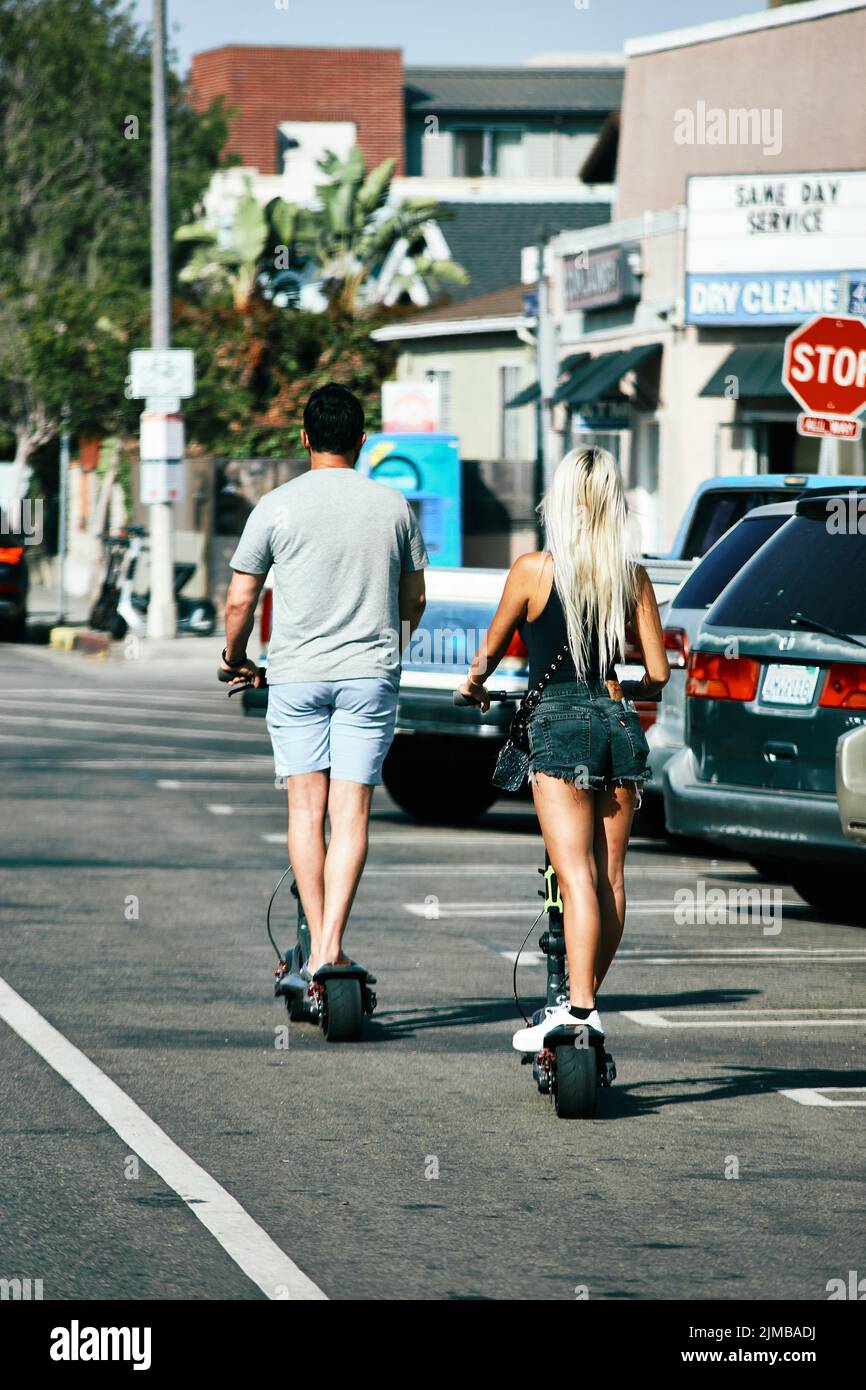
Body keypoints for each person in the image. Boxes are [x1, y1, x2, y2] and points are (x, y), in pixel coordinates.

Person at [457, 446, 668, 1051]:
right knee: (612, 879)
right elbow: (656, 673)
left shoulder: (532, 570)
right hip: (617, 721)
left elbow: (490, 653)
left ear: (562, 504)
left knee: (573, 875)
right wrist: (618, 683)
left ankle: (575, 1008)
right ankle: (583, 1001)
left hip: (557, 722)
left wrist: (471, 686)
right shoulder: (632, 575)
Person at [222, 383, 428, 977]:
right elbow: (415, 597)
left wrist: (236, 655)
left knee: (305, 812)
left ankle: (314, 949)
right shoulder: (393, 507)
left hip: (295, 678)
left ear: (305, 437)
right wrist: (393, 652)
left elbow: (241, 600)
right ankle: (330, 946)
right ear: (363, 441)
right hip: (370, 676)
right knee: (353, 814)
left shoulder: (276, 507)